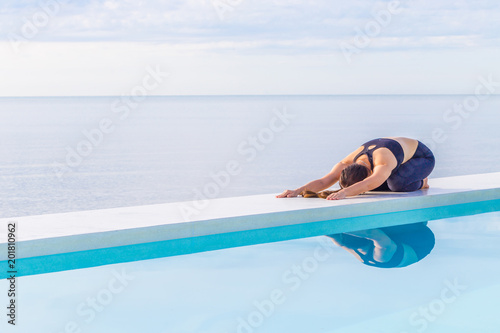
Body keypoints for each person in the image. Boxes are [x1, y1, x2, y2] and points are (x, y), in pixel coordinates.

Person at [276, 137, 435, 200]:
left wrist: (344, 193)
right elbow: (325, 180)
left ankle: (422, 182)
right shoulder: (347, 162)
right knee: (375, 186)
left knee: (396, 184)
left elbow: (367, 183)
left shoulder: (382, 161)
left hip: (421, 157)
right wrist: (297, 191)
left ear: (368, 174)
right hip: (397, 160)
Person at [327, 222, 435, 268]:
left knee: (385, 230)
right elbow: (372, 233)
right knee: (407, 225)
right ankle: (420, 222)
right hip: (422, 242)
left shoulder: (342, 242)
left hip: (396, 242)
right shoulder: (381, 256)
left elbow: (329, 231)